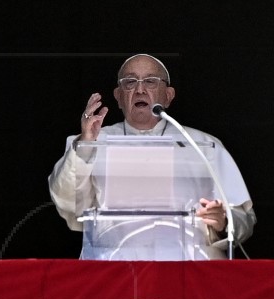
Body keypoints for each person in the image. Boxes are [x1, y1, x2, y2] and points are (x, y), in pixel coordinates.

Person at [49, 53, 255, 260]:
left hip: (189, 272)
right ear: (118, 96)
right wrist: (85, 146)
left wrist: (223, 221)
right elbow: (68, 204)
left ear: (168, 95)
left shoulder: (203, 145)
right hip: (114, 270)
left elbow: (243, 218)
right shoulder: (91, 141)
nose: (140, 89)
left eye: (150, 81)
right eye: (130, 82)